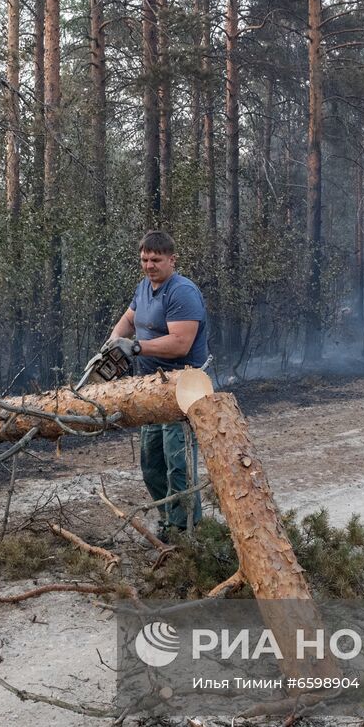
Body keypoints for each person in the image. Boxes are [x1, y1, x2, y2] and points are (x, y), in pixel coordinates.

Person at [104, 230, 209, 540]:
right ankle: (169, 519)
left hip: (183, 386)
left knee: (178, 464)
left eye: (156, 260)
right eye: (144, 260)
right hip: (150, 388)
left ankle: (187, 529)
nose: (149, 265)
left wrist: (135, 347)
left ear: (171, 260)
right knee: (151, 463)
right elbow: (128, 320)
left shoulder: (182, 292)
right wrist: (112, 343)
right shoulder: (144, 288)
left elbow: (180, 343)